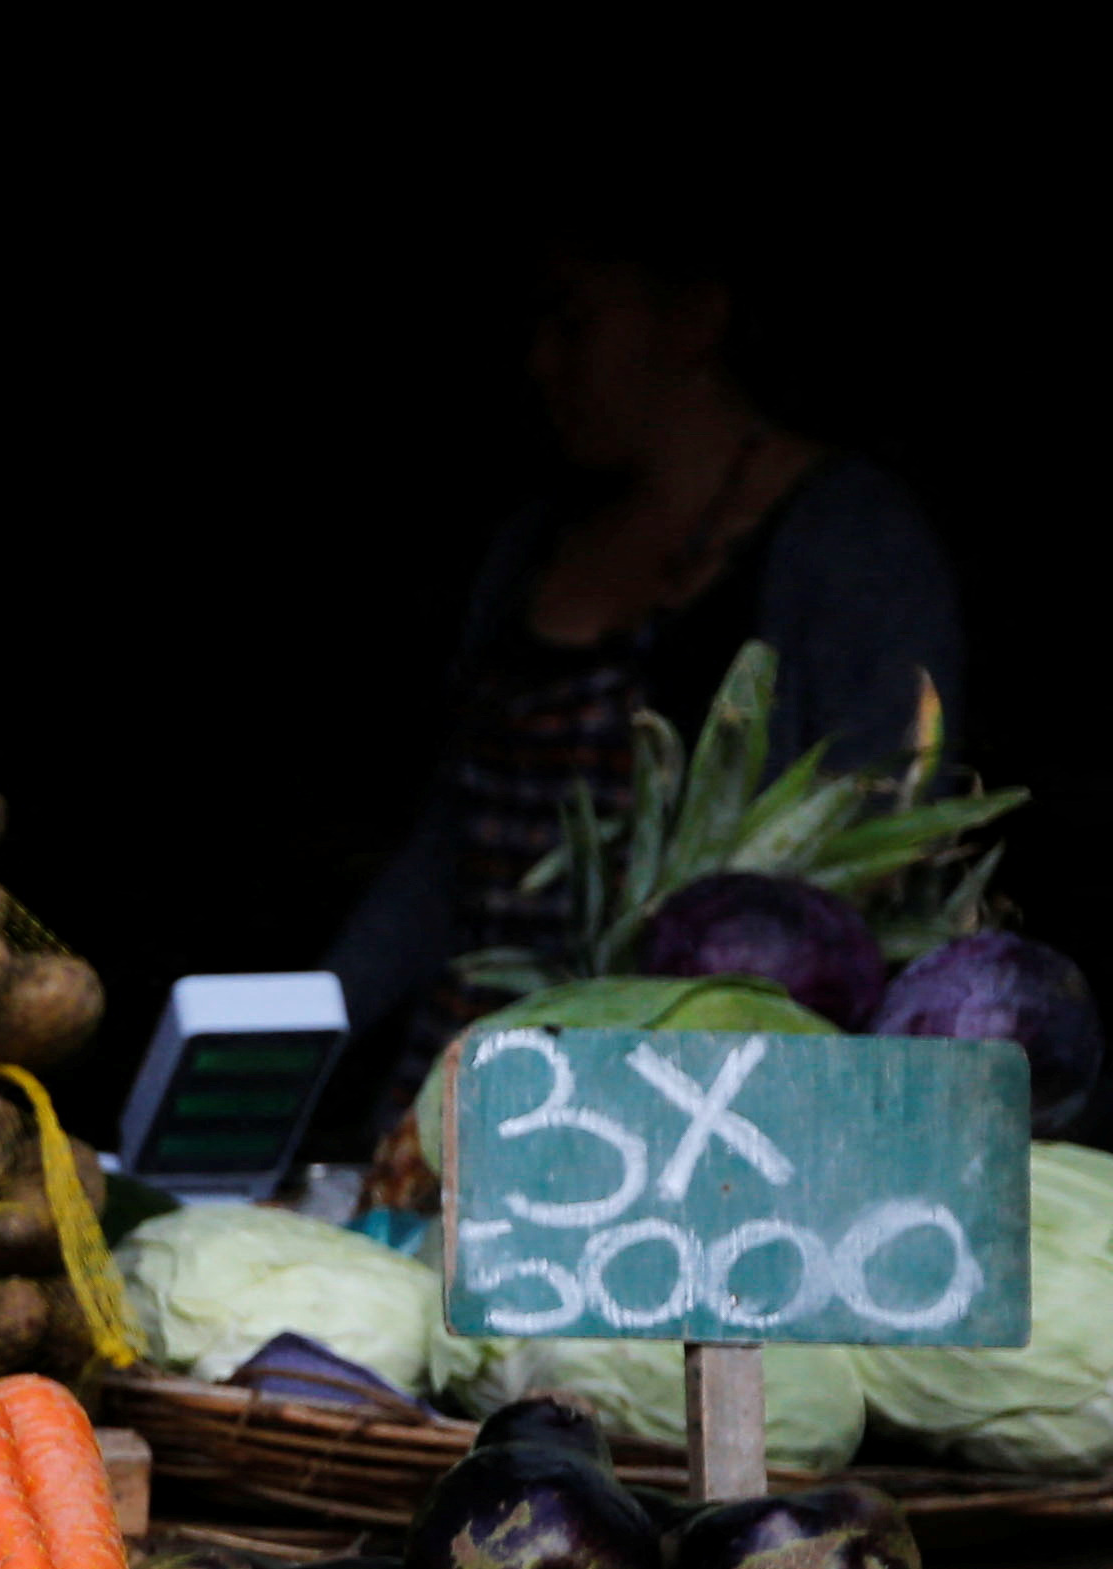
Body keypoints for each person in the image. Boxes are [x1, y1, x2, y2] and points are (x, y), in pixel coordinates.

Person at [330, 232, 964, 1165]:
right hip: (463, 1081)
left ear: (696, 316)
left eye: (573, 318)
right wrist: (296, 1023)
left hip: (701, 1113)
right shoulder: (531, 547)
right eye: (533, 325)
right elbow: (447, 854)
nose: (541, 361)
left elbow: (891, 830)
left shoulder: (848, 543)